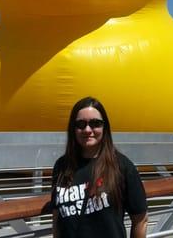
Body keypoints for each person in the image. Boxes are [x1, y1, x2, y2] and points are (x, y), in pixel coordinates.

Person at [51, 96, 148, 238]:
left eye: (95, 123)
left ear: (105, 127)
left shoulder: (121, 166)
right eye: (80, 124)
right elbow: (57, 220)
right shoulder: (62, 166)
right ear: (73, 129)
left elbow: (140, 220)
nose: (88, 130)